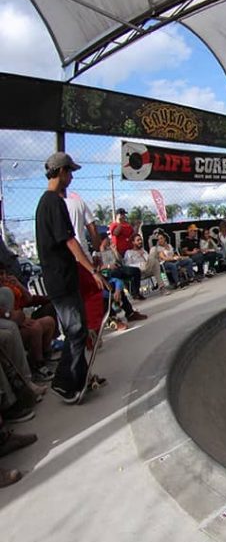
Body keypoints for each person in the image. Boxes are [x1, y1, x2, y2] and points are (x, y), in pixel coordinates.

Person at [34, 152, 107, 404]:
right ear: (61, 172)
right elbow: (70, 242)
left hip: (61, 278)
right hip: (61, 279)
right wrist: (92, 271)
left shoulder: (47, 202)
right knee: (76, 330)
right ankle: (64, 383)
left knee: (78, 327)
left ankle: (79, 376)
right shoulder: (54, 202)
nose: (72, 177)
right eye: (70, 172)